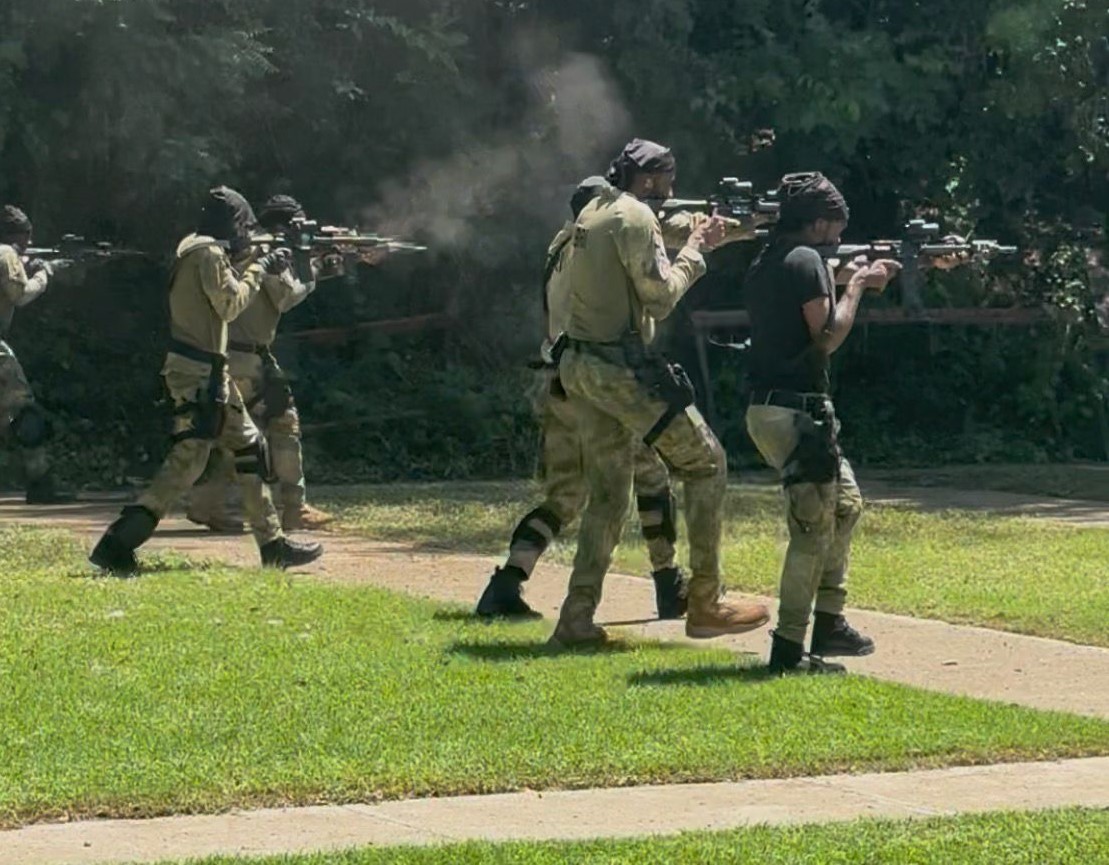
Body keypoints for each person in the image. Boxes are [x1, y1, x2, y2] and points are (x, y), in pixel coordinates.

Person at [477, 177, 766, 622]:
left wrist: (733, 226)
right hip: (601, 378)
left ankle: (508, 582)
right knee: (652, 475)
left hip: (560, 380)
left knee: (568, 493)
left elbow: (659, 230)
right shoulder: (609, 237)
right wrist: (709, 239)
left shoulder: (565, 246)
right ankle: (670, 584)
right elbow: (657, 275)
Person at [547, 139, 771, 646]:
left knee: (608, 496)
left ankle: (575, 620)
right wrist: (696, 253)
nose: (671, 191)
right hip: (618, 367)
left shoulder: (599, 210)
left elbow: (665, 229)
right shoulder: (636, 218)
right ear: (650, 179)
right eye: (667, 181)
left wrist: (740, 226)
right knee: (706, 462)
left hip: (580, 366)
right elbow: (661, 297)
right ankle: (707, 603)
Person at [89, 186, 323, 574]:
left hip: (204, 369)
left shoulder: (192, 249)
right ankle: (116, 543)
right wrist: (259, 266)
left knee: (245, 448)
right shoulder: (209, 254)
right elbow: (230, 305)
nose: (246, 234)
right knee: (189, 460)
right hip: (201, 372)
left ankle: (273, 545)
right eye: (243, 227)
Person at [743, 172, 899, 674]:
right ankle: (789, 649)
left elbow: (799, 303)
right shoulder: (807, 260)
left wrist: (840, 277)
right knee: (811, 530)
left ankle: (829, 625)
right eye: (833, 229)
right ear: (816, 223)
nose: (835, 239)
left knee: (845, 506)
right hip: (797, 412)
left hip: (772, 408)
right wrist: (856, 285)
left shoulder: (772, 260)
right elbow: (827, 335)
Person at [187, 194, 334, 534]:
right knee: (283, 426)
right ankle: (294, 508)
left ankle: (206, 504)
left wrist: (314, 263)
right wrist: (314, 270)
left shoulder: (239, 249)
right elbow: (286, 297)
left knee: (236, 434)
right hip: (246, 358)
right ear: (282, 227)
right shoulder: (265, 253)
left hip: (234, 354)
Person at [0, 205, 74, 504]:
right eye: (25, 238)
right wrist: (45, 274)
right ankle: (40, 483)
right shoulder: (5, 253)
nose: (28, 244)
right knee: (24, 412)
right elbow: (21, 295)